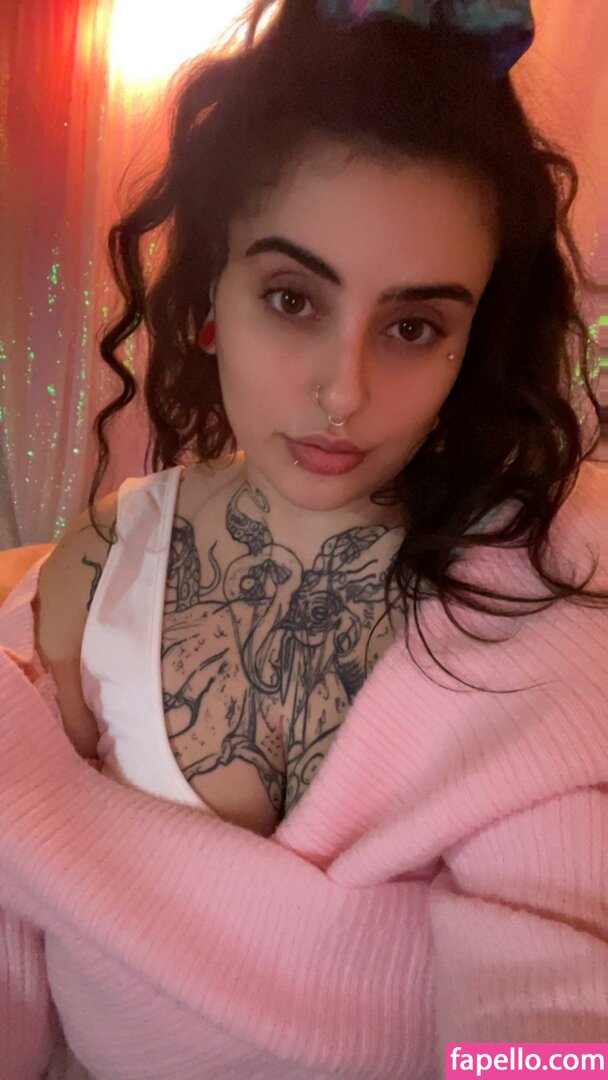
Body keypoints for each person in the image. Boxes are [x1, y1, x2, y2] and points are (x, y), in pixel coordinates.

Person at [1, 0, 607, 1076]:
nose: (344, 391)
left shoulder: (548, 585)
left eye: (412, 326)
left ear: (472, 341)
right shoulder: (93, 572)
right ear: (209, 299)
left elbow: (548, 1012)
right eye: (291, 299)